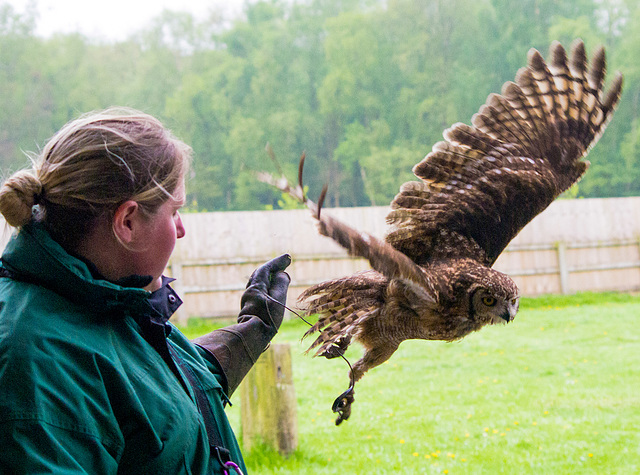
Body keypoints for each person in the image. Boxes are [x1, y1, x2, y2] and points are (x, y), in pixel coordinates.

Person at [0, 108, 291, 474]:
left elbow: (150, 407)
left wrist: (248, 333)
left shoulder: (104, 300)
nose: (181, 229)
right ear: (128, 222)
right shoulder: (34, 363)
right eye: (174, 212)